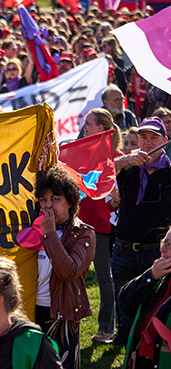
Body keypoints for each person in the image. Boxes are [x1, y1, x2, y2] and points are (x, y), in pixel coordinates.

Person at [112, 117, 171, 345]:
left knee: (152, 304)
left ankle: (148, 345)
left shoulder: (169, 172)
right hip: (124, 250)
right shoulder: (128, 168)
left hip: (157, 253)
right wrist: (126, 159)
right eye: (143, 137)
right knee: (124, 300)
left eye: (153, 137)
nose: (147, 142)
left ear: (164, 141)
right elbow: (100, 171)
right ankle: (126, 344)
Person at [32, 166, 95, 369]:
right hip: (30, 311)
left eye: (55, 199)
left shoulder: (84, 234)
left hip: (61, 315)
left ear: (70, 202)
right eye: (43, 200)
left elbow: (68, 272)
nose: (48, 206)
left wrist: (50, 233)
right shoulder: (32, 229)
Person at [79, 108, 122, 343]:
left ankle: (107, 328)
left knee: (104, 277)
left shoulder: (116, 157)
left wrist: (115, 201)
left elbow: (116, 202)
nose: (84, 127)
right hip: (79, 223)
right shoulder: (82, 153)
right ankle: (69, 322)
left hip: (102, 227)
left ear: (102, 129)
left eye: (88, 124)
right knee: (73, 274)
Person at [119, 226, 171, 369]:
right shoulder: (159, 277)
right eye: (163, 243)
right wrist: (150, 276)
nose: (162, 249)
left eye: (169, 245)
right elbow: (125, 304)